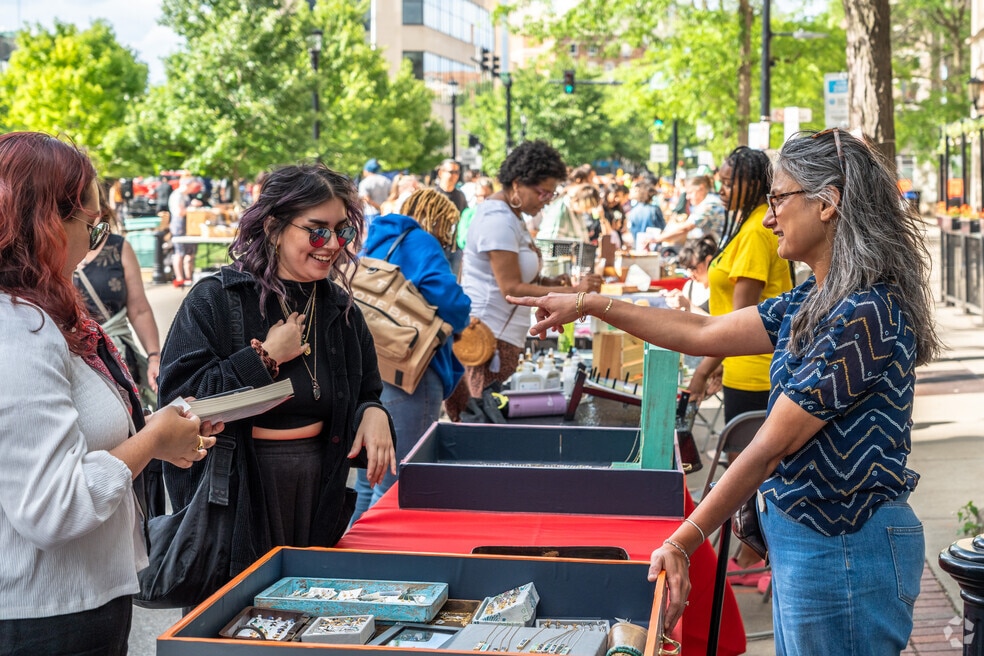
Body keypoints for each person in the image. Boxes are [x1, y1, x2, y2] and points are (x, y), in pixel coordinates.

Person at [512, 128, 940, 654]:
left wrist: (682, 541)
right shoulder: (822, 295)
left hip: (844, 547)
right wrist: (587, 303)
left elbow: (768, 448)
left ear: (827, 203)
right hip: (822, 542)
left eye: (778, 198)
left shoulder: (864, 311)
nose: (767, 216)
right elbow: (703, 333)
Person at [0, 131, 217, 654]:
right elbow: (55, 505)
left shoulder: (34, 318)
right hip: (45, 617)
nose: (95, 240)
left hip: (75, 602)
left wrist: (159, 432)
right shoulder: (20, 330)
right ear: (47, 221)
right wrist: (153, 442)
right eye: (90, 223)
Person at [158, 163, 397, 578]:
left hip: (317, 488)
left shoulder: (339, 308)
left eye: (342, 231)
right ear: (273, 228)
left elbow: (366, 391)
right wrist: (265, 357)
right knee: (235, 628)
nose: (332, 244)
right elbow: (180, 403)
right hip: (237, 493)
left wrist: (373, 413)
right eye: (316, 230)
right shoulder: (216, 299)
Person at [686, 145, 792, 583]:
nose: (722, 186)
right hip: (745, 368)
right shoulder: (748, 227)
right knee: (746, 468)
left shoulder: (752, 233)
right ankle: (753, 554)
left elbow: (738, 324)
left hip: (752, 371)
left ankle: (751, 556)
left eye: (730, 180)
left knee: (747, 472)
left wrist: (701, 371)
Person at [443, 140, 602, 422]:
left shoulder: (512, 216)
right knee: (480, 431)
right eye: (543, 192)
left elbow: (521, 275)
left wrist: (553, 280)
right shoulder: (498, 220)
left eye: (551, 194)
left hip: (496, 340)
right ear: (517, 184)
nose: (546, 200)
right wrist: (573, 291)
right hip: (484, 342)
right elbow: (511, 288)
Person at [351, 188, 471, 523]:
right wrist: (465, 313)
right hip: (409, 370)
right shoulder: (423, 242)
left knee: (367, 481)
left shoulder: (377, 237)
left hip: (371, 363)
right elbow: (449, 300)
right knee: (395, 480)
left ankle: (350, 557)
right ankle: (375, 568)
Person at [73, 185, 164, 409]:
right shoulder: (51, 250)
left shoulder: (118, 246)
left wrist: (154, 357)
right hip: (76, 360)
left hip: (116, 356)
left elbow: (139, 309)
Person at [656, 175, 726, 247]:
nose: (687, 197)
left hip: (721, 247)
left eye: (690, 193)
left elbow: (685, 228)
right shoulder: (710, 200)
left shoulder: (708, 204)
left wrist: (657, 239)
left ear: (701, 188)